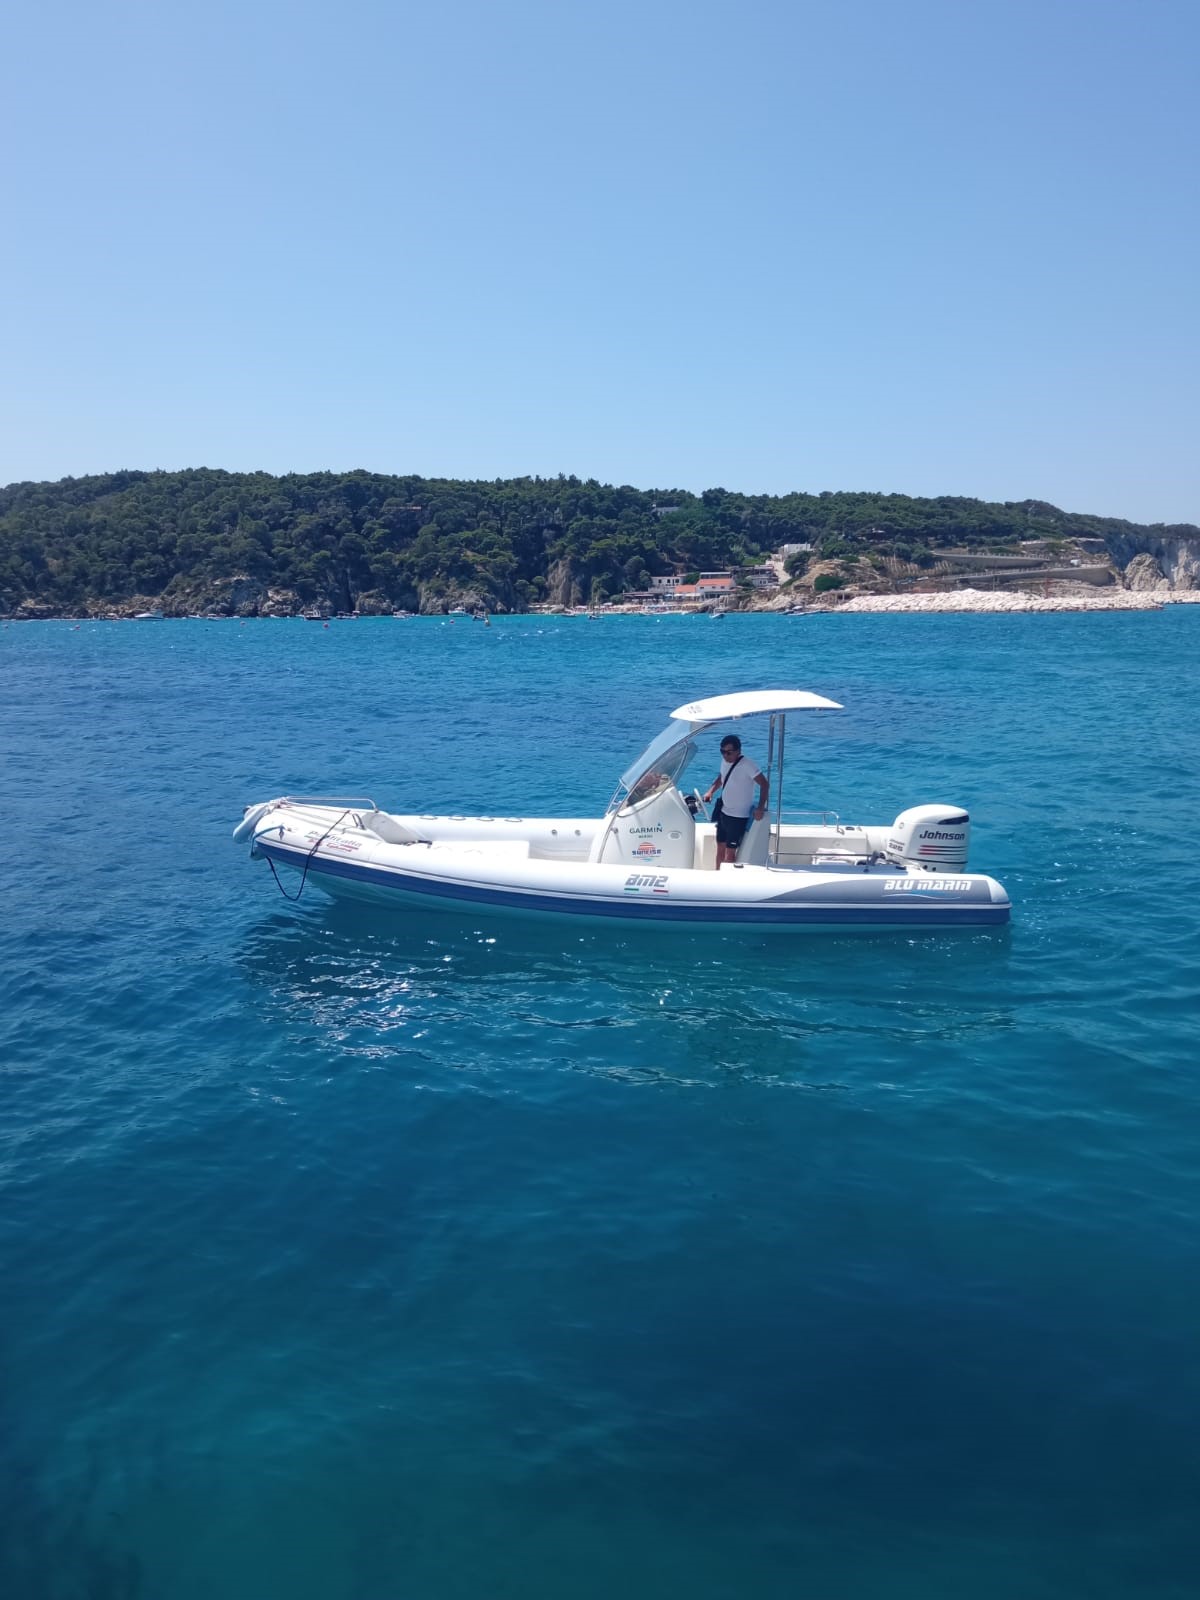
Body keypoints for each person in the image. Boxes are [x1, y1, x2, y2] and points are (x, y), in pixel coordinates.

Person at [702, 734, 769, 867]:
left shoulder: (747, 765)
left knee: (730, 853)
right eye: (722, 752)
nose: (725, 755)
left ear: (738, 751)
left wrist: (760, 807)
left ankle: (727, 878)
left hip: (738, 817)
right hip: (723, 812)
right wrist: (710, 791)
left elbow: (764, 784)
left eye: (729, 752)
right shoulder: (724, 762)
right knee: (720, 847)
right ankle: (718, 874)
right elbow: (722, 777)